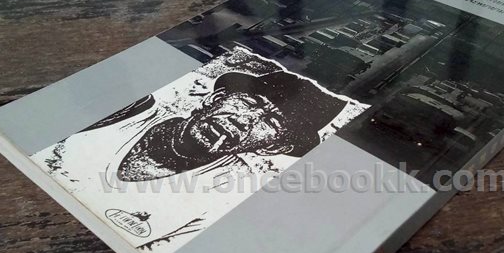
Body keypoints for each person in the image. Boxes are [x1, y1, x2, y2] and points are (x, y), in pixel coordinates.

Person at [115, 70, 349, 181]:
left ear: (274, 147)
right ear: (215, 98)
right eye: (249, 102)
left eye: (271, 122)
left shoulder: (232, 186)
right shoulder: (134, 111)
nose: (243, 120)